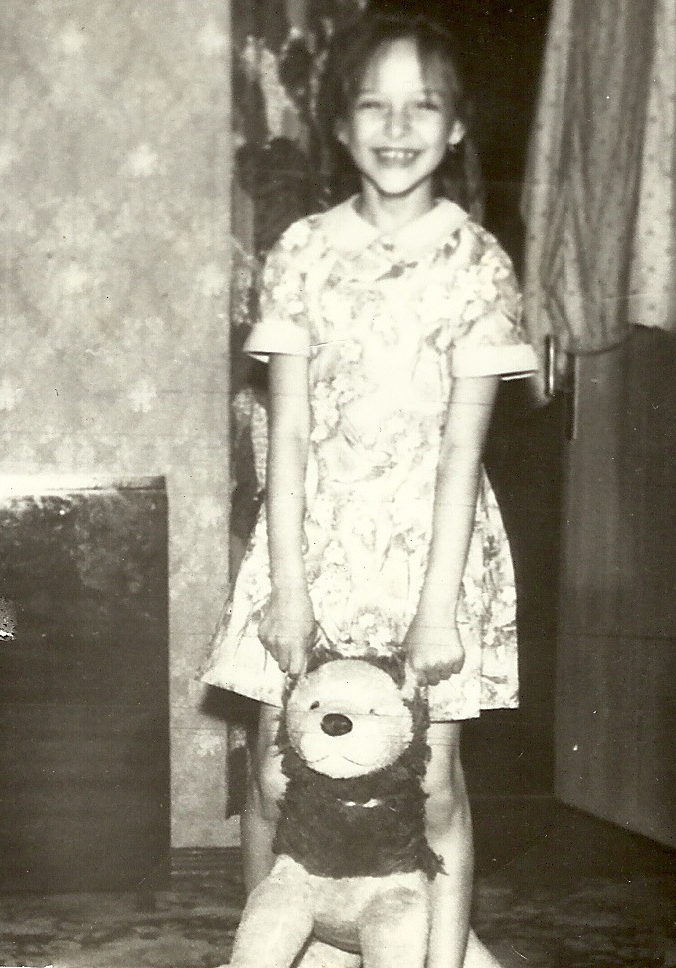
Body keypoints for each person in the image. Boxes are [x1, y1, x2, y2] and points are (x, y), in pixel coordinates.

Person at [202, 9, 537, 968]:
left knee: (432, 789)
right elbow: (287, 433)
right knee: (276, 777)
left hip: (432, 552)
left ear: (456, 125)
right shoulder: (301, 254)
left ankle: (438, 955)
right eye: (372, 106)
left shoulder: (476, 264)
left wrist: (437, 609)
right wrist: (289, 590)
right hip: (310, 544)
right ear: (341, 128)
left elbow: (461, 452)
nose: (397, 128)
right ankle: (282, 945)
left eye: (422, 106)